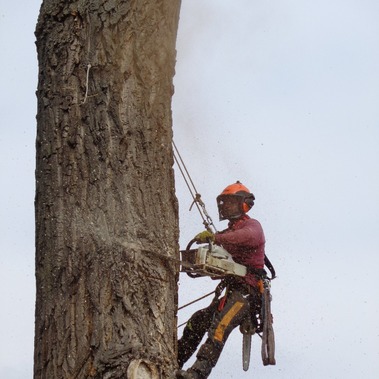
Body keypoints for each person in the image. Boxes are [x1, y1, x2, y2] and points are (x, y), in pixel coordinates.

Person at [177, 181, 267, 379]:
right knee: (198, 321)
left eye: (231, 202)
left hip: (247, 294)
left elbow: (246, 236)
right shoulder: (227, 234)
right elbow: (221, 266)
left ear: (243, 204)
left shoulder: (251, 226)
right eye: (224, 202)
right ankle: (175, 358)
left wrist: (215, 238)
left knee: (219, 327)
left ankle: (198, 373)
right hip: (233, 292)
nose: (225, 206)